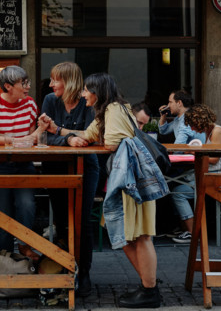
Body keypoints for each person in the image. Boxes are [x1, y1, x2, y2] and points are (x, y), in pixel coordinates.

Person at [47, 73, 163, 309]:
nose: (82, 94)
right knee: (126, 236)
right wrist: (58, 130)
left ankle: (150, 290)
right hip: (124, 179)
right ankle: (148, 284)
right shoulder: (105, 112)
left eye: (86, 90)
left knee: (140, 235)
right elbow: (87, 135)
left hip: (132, 179)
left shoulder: (114, 110)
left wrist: (92, 140)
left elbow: (111, 143)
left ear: (96, 92)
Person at [38, 61, 100, 297]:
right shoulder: (50, 101)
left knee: (82, 221)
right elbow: (43, 135)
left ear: (70, 81)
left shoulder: (88, 102)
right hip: (55, 167)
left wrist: (62, 133)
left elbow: (91, 136)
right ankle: (65, 267)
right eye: (52, 79)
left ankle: (84, 272)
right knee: (62, 220)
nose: (52, 84)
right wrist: (69, 140)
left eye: (56, 80)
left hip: (85, 167)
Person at [0, 65, 49, 260]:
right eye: (23, 83)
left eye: (27, 82)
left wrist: (37, 131)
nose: (27, 86)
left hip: (22, 163)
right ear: (8, 86)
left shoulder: (30, 104)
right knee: (2, 215)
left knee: (27, 204)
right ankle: (4, 261)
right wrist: (22, 140)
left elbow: (32, 138)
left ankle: (24, 247)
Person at [171, 104, 221, 244]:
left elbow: (214, 159)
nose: (191, 128)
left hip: (218, 176)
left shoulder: (217, 131)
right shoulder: (208, 131)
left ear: (199, 122)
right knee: (177, 188)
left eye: (192, 125)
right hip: (210, 174)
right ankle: (190, 230)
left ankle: (192, 233)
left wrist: (193, 152)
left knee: (178, 192)